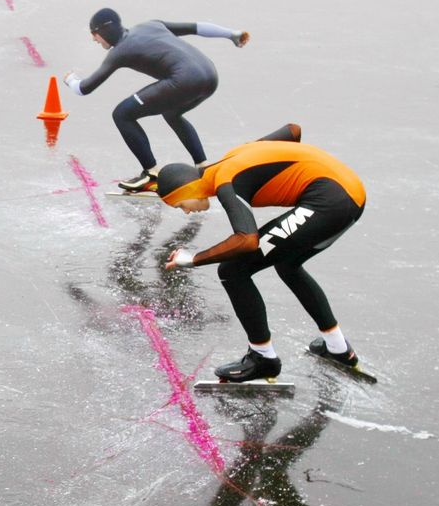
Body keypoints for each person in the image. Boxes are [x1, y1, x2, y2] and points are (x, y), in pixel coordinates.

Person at [155, 133, 366, 382]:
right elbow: (292, 130)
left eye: (180, 204)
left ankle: (262, 358)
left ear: (186, 187)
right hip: (350, 194)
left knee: (233, 271)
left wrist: (193, 259)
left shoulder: (225, 180)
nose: (187, 212)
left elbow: (246, 240)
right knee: (288, 264)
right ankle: (338, 348)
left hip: (330, 202)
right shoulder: (235, 156)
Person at [62, 7, 249, 193]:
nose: (93, 39)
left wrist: (70, 79)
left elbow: (84, 88)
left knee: (122, 114)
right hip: (210, 76)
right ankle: (203, 166)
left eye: (94, 34)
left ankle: (151, 173)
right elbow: (196, 27)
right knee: (171, 113)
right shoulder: (151, 25)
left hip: (184, 80)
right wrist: (231, 34)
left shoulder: (120, 51)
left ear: (103, 31)